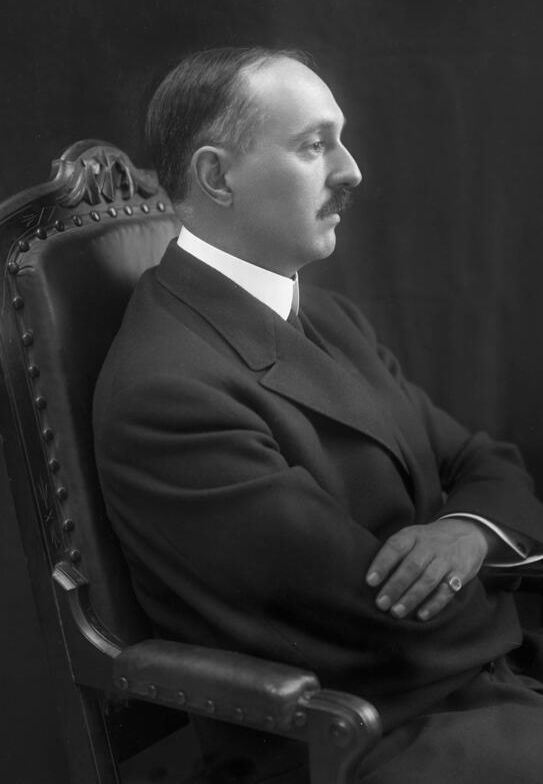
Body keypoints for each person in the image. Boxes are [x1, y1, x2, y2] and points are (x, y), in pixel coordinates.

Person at [93, 47, 543, 783]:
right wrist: (495, 587)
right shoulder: (169, 391)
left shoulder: (327, 317)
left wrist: (466, 533)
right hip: (356, 738)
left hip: (467, 684)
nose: (350, 169)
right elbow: (375, 609)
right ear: (215, 177)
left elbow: (481, 461)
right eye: (312, 145)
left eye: (339, 137)